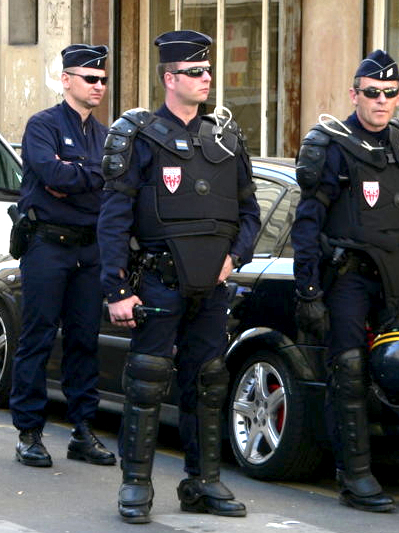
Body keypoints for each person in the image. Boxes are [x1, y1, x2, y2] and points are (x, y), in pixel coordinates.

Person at [98, 30, 261, 523]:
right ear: (169, 78)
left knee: (208, 383)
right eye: (195, 72)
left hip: (212, 286)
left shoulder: (227, 138)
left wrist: (237, 257)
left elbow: (250, 211)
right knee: (147, 384)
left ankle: (203, 481)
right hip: (160, 280)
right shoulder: (139, 135)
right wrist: (117, 289)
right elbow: (113, 217)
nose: (206, 78)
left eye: (207, 70)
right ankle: (135, 486)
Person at [291, 49, 399, 513]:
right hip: (349, 279)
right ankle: (355, 475)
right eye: (372, 93)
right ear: (354, 94)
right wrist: (309, 291)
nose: (381, 101)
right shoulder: (330, 143)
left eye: (390, 93)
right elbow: (305, 225)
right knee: (350, 375)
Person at [9, 44, 116, 468]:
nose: (99, 86)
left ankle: (83, 430)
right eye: (91, 79)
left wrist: (78, 177)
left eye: (104, 80)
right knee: (36, 338)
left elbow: (110, 185)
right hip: (47, 246)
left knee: (83, 340)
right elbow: (51, 174)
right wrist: (88, 177)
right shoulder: (43, 125)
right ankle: (29, 431)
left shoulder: (106, 135)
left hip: (89, 249)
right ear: (66, 80)